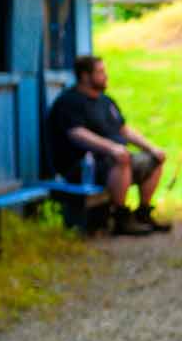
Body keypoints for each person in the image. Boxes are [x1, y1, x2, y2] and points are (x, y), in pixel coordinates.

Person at [46, 53, 171, 236]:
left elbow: (124, 130)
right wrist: (111, 148)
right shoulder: (69, 102)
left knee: (154, 160)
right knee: (121, 158)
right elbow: (77, 134)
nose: (106, 76)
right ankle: (120, 217)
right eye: (100, 72)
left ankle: (143, 213)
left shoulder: (106, 101)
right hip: (83, 166)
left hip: (116, 159)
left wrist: (151, 148)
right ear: (85, 76)